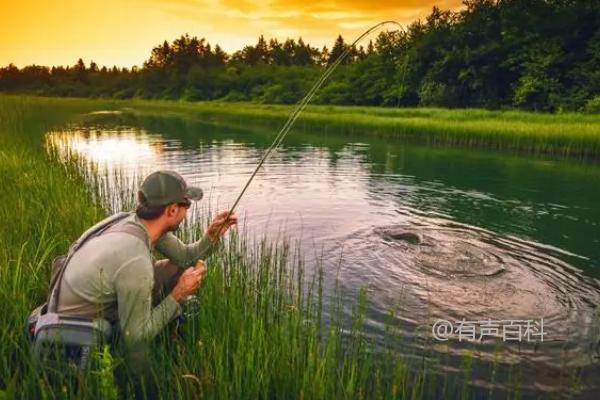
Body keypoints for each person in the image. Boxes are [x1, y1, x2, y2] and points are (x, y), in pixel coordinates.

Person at [53, 170, 237, 375]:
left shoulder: (135, 222)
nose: (188, 211)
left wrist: (211, 236)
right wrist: (178, 295)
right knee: (139, 342)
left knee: (179, 267)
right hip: (76, 332)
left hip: (92, 303)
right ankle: (138, 382)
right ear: (172, 210)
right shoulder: (135, 259)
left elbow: (185, 258)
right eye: (186, 205)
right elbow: (135, 335)